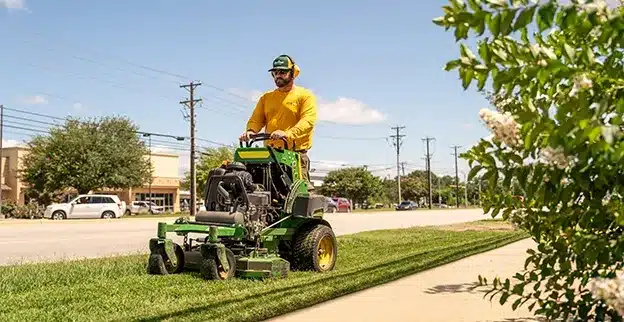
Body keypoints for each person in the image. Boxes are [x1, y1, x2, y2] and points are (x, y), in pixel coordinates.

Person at [239, 54, 317, 189]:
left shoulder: (305, 96)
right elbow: (256, 119)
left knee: (300, 194)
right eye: (275, 72)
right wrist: (251, 131)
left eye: (282, 72)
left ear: (292, 73)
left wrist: (288, 133)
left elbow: (308, 121)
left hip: (295, 156)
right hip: (270, 155)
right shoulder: (266, 98)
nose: (278, 75)